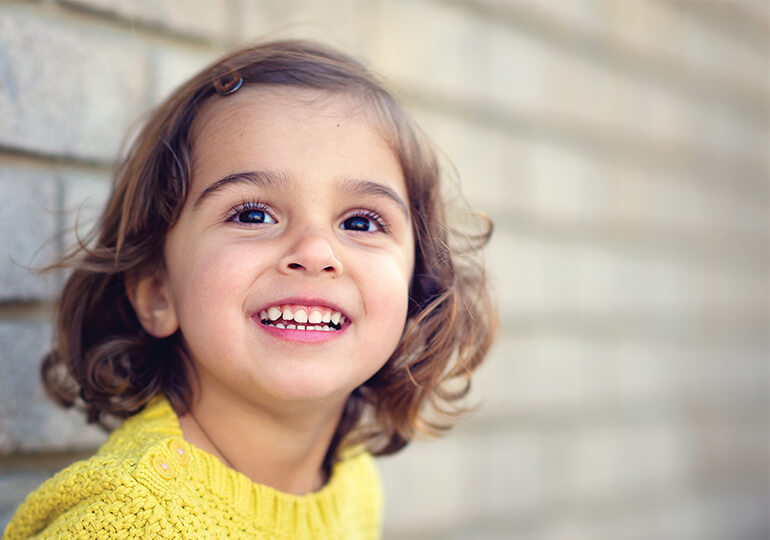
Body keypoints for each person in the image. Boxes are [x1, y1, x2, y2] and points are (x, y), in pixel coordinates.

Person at [3, 39, 495, 539]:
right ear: (157, 292)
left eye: (362, 222)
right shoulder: (128, 522)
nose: (316, 252)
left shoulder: (351, 482)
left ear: (417, 286)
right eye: (253, 214)